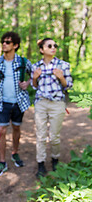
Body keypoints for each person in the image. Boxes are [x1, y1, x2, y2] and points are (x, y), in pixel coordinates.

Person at [0, 31, 32, 177]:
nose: (4, 44)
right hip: (2, 103)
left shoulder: (23, 62)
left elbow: (35, 75)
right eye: (3, 41)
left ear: (15, 45)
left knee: (16, 128)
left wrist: (27, 83)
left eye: (8, 42)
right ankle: (2, 161)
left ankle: (15, 153)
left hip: (19, 102)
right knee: (2, 131)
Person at [31, 38, 73, 178]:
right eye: (49, 45)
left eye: (55, 45)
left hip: (57, 104)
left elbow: (68, 85)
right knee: (41, 135)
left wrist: (61, 78)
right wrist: (35, 78)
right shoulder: (36, 66)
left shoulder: (63, 65)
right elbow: (34, 86)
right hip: (41, 103)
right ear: (42, 50)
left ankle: (55, 159)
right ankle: (40, 164)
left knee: (54, 136)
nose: (53, 47)